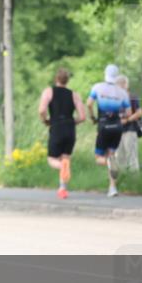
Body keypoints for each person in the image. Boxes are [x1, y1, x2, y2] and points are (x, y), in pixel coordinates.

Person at [37, 67, 87, 199]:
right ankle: (62, 190)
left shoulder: (49, 92)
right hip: (70, 128)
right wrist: (72, 122)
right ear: (67, 80)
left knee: (52, 159)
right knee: (66, 157)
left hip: (57, 127)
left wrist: (45, 121)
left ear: (56, 79)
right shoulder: (74, 94)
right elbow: (82, 117)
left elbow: (42, 110)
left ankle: (62, 166)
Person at [87, 64, 131, 197]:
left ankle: (108, 162)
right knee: (111, 155)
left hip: (103, 126)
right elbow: (128, 113)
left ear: (105, 73)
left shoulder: (97, 87)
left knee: (99, 158)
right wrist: (119, 116)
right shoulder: (122, 92)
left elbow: (89, 104)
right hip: (117, 128)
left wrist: (93, 117)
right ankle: (112, 188)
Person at [114, 74, 142, 173]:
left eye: (122, 84)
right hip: (118, 131)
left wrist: (127, 120)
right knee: (119, 158)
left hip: (130, 130)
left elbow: (139, 112)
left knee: (132, 158)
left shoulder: (132, 97)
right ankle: (123, 183)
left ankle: (135, 184)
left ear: (125, 85)